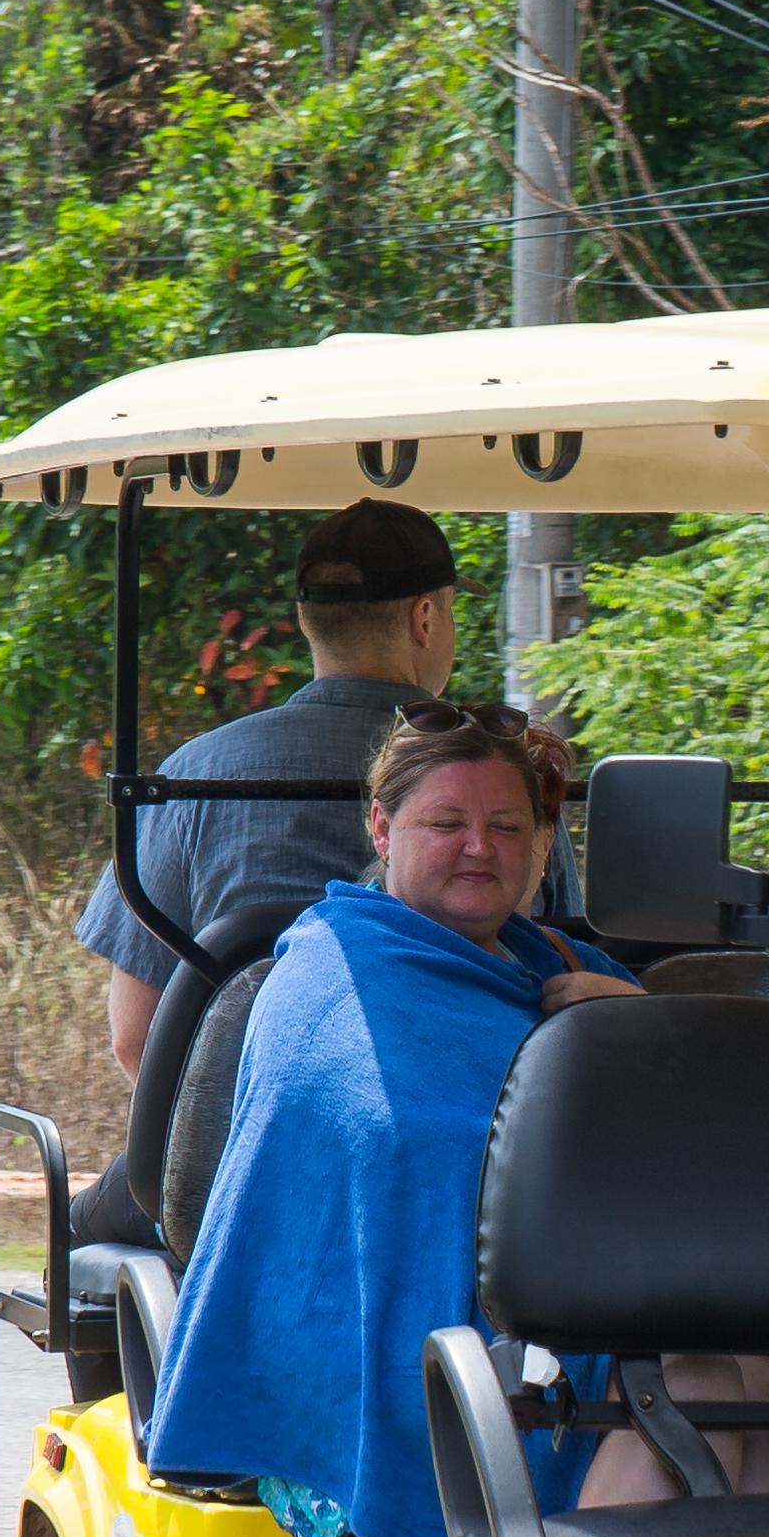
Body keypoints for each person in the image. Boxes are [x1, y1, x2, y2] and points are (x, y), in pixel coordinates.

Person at [143, 712, 769, 1537]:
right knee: (691, 1381)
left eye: (507, 824)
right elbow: (416, 1169)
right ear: (382, 827)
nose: (478, 847)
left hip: (524, 1330)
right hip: (389, 1374)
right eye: (446, 822)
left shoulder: (542, 970)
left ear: (547, 842)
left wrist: (618, 1027)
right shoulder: (339, 978)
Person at [68, 498, 464, 1239]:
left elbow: (137, 1036)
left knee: (81, 1230)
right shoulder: (496, 793)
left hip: (225, 1160)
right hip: (460, 1153)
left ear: (305, 619)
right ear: (424, 620)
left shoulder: (196, 775)